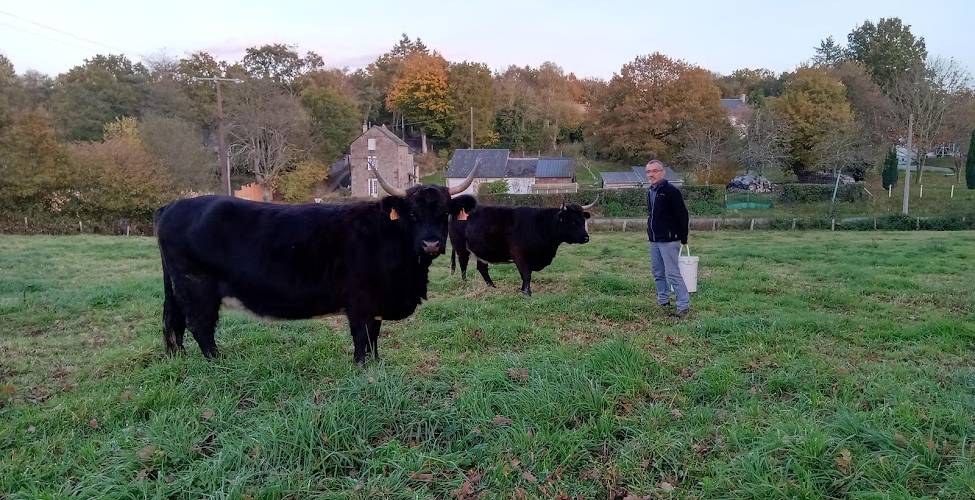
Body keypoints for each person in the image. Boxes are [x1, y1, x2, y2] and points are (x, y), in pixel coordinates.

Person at [645, 160, 690, 317]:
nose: (651, 174)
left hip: (669, 240)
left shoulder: (671, 191)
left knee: (672, 273)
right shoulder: (650, 191)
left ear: (662, 172)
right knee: (658, 272)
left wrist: (683, 236)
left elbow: (682, 215)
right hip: (654, 240)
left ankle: (683, 305)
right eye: (648, 172)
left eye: (654, 171)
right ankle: (663, 300)